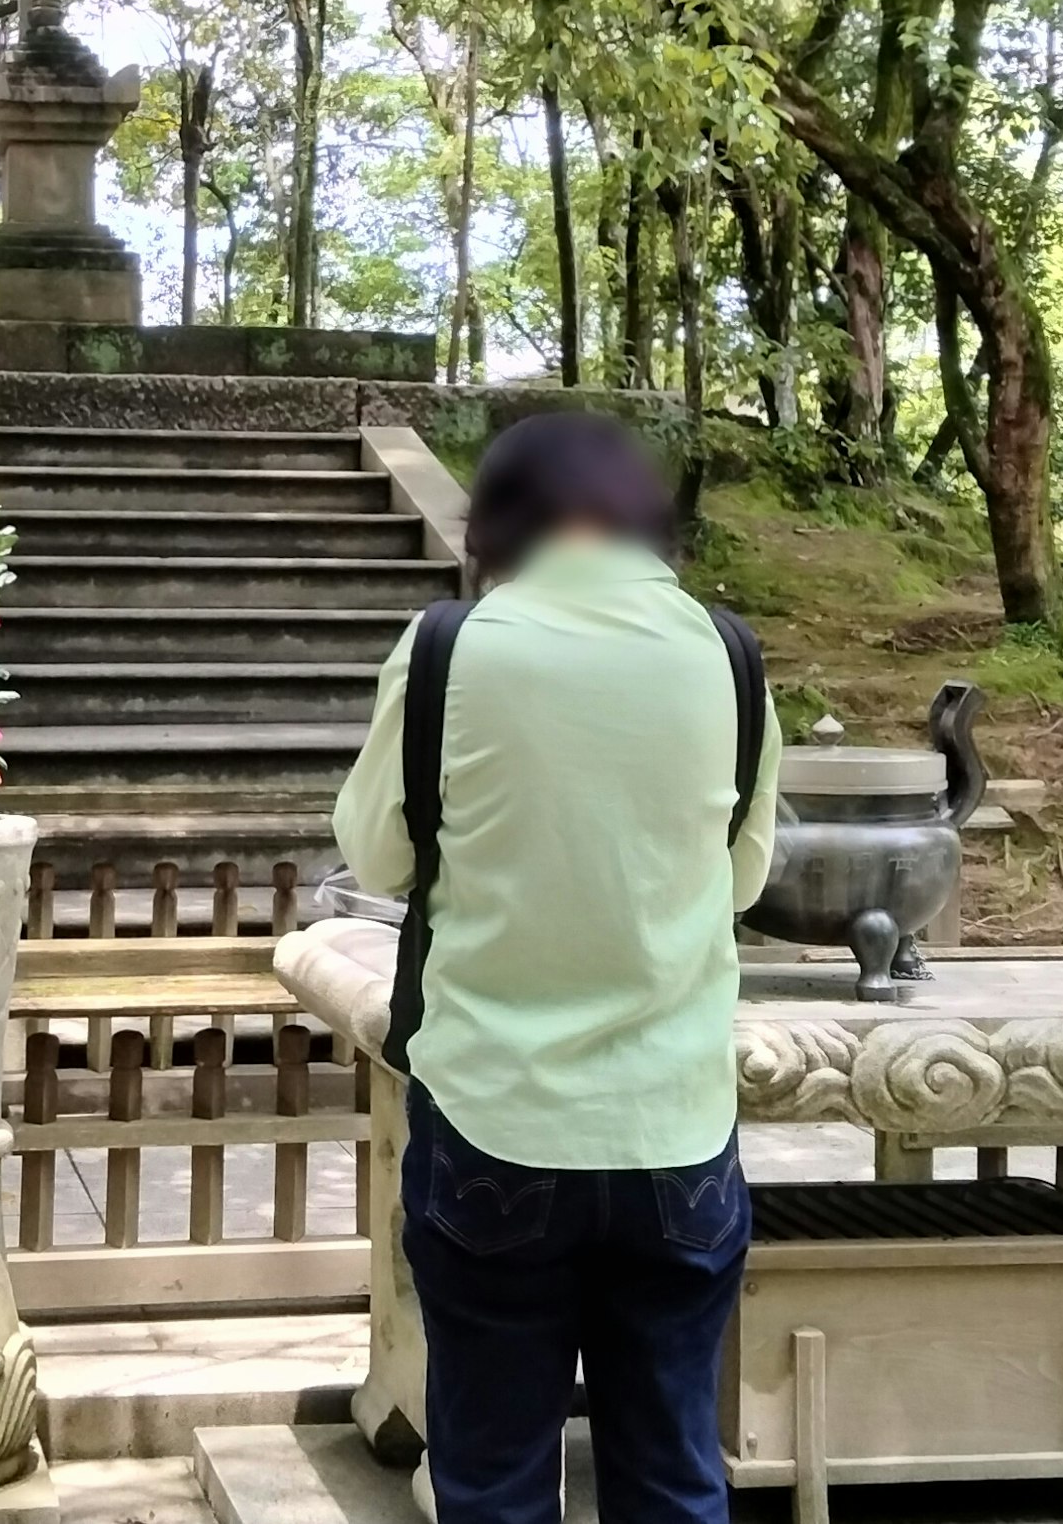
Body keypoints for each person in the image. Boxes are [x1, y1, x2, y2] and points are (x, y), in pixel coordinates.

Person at [331, 411, 777, 1524]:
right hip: (673, 1129)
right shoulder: (727, 654)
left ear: (500, 521)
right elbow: (746, 878)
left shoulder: (449, 646)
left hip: (493, 1121)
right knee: (676, 1475)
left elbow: (378, 851)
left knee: (492, 1478)